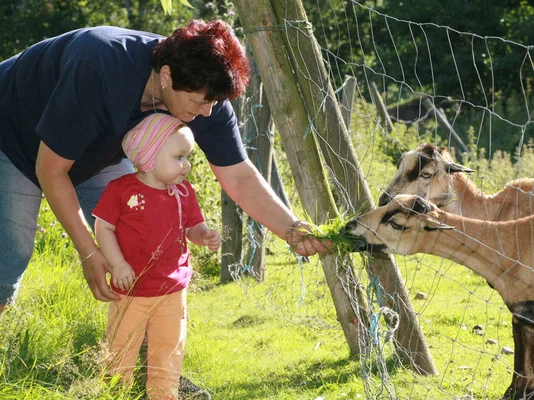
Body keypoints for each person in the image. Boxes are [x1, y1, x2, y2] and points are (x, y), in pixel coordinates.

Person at [0, 18, 328, 395]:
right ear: (167, 76)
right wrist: (89, 251)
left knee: (144, 235)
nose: (207, 113)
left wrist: (291, 229)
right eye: (200, 102)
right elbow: (50, 169)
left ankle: (152, 373)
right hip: (13, 138)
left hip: (97, 152)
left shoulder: (206, 95)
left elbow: (238, 176)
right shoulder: (100, 67)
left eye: (214, 104)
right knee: (11, 253)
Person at [94, 113, 219, 399]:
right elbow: (104, 227)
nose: (186, 165)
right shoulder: (121, 190)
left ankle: (164, 394)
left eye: (188, 157)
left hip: (173, 291)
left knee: (168, 349)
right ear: (149, 157)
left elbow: (192, 227)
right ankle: (115, 393)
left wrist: (204, 235)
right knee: (120, 350)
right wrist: (117, 263)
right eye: (179, 157)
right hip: (130, 291)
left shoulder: (184, 192)